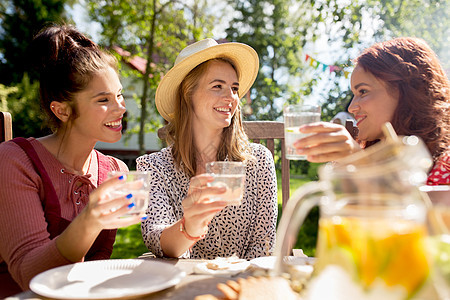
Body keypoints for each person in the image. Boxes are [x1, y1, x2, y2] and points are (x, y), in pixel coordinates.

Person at [0, 24, 144, 297]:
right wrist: (90, 219)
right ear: (63, 110)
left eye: (120, 95)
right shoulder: (14, 161)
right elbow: (29, 275)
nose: (121, 108)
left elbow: (98, 271)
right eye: (103, 99)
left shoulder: (115, 170)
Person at [136, 38, 278, 259]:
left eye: (234, 88)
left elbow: (264, 247)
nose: (231, 97)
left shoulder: (258, 161)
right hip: (182, 286)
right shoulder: (155, 166)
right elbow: (157, 239)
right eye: (217, 86)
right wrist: (189, 226)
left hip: (243, 285)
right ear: (187, 94)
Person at [294, 37, 450, 186]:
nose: (351, 107)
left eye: (363, 91)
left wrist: (360, 162)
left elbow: (417, 208)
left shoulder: (445, 165)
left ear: (406, 91)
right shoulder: (369, 156)